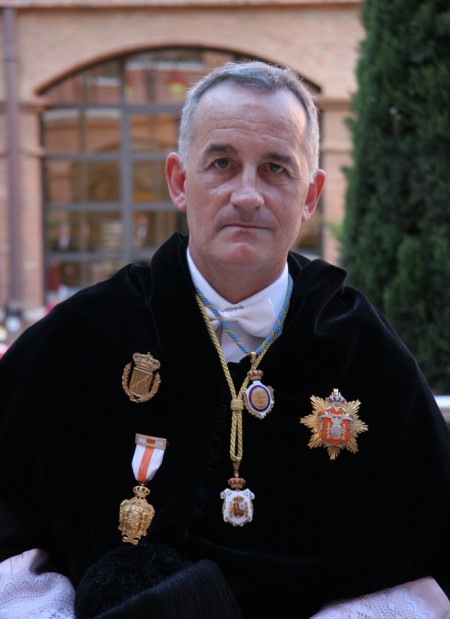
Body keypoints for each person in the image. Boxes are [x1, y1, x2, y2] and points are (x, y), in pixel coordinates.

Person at [0, 61, 449, 619]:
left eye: (276, 169)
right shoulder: (83, 337)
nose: (248, 195)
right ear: (179, 181)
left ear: (310, 195)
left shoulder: (363, 352)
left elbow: (433, 547)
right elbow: (10, 529)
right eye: (222, 163)